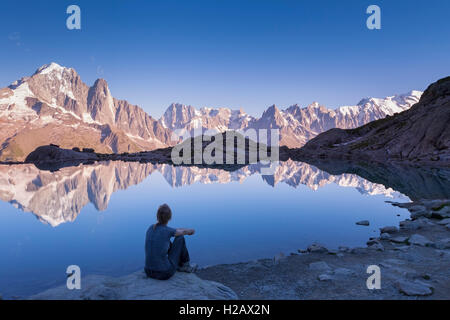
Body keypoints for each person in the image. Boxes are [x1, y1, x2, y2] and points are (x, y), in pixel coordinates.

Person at [144, 203, 197, 280]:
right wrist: (191, 231)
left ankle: (179, 265)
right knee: (180, 238)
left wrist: (182, 230)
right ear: (169, 217)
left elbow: (174, 230)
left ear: (157, 216)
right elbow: (183, 232)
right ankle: (186, 266)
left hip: (148, 271)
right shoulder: (167, 231)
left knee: (164, 241)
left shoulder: (151, 228)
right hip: (164, 273)